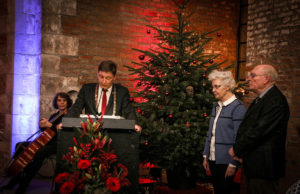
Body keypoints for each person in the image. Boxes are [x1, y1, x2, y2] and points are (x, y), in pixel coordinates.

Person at [228, 64, 290, 194]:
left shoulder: (275, 101)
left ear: (266, 79)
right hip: (255, 164)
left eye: (253, 75)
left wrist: (237, 149)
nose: (248, 79)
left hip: (264, 167)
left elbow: (258, 131)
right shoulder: (262, 99)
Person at [1, 92, 72, 194]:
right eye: (59, 100)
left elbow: (63, 133)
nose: (61, 103)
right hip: (46, 141)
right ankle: (16, 175)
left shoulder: (69, 115)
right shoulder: (55, 115)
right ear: (56, 102)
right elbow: (46, 131)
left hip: (57, 144)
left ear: (67, 102)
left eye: (64, 100)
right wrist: (41, 125)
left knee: (38, 153)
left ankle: (23, 184)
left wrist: (50, 125)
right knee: (20, 145)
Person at [66, 60, 142, 132]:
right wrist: (66, 121)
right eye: (101, 77)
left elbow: (128, 110)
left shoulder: (122, 92)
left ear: (114, 77)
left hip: (114, 132)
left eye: (108, 78)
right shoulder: (87, 89)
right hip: (90, 132)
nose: (104, 81)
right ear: (97, 74)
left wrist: (134, 124)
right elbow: (76, 108)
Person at [203, 70, 246, 194]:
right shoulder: (216, 106)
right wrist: (206, 155)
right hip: (213, 159)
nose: (213, 90)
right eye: (213, 86)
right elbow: (210, 133)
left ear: (228, 87)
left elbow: (239, 138)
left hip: (227, 161)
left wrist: (233, 164)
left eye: (217, 86)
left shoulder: (238, 108)